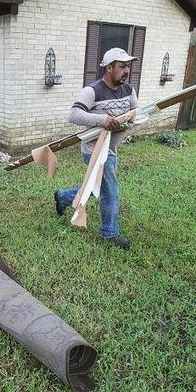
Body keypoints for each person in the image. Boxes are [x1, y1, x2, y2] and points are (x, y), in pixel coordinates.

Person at [53, 48, 139, 250]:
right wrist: (103, 120)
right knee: (110, 192)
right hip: (94, 150)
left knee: (95, 187)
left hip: (112, 149)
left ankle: (63, 197)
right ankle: (109, 233)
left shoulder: (129, 91)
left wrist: (129, 121)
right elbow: (74, 115)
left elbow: (136, 112)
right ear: (109, 68)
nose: (126, 71)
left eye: (128, 66)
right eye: (122, 66)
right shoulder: (93, 91)